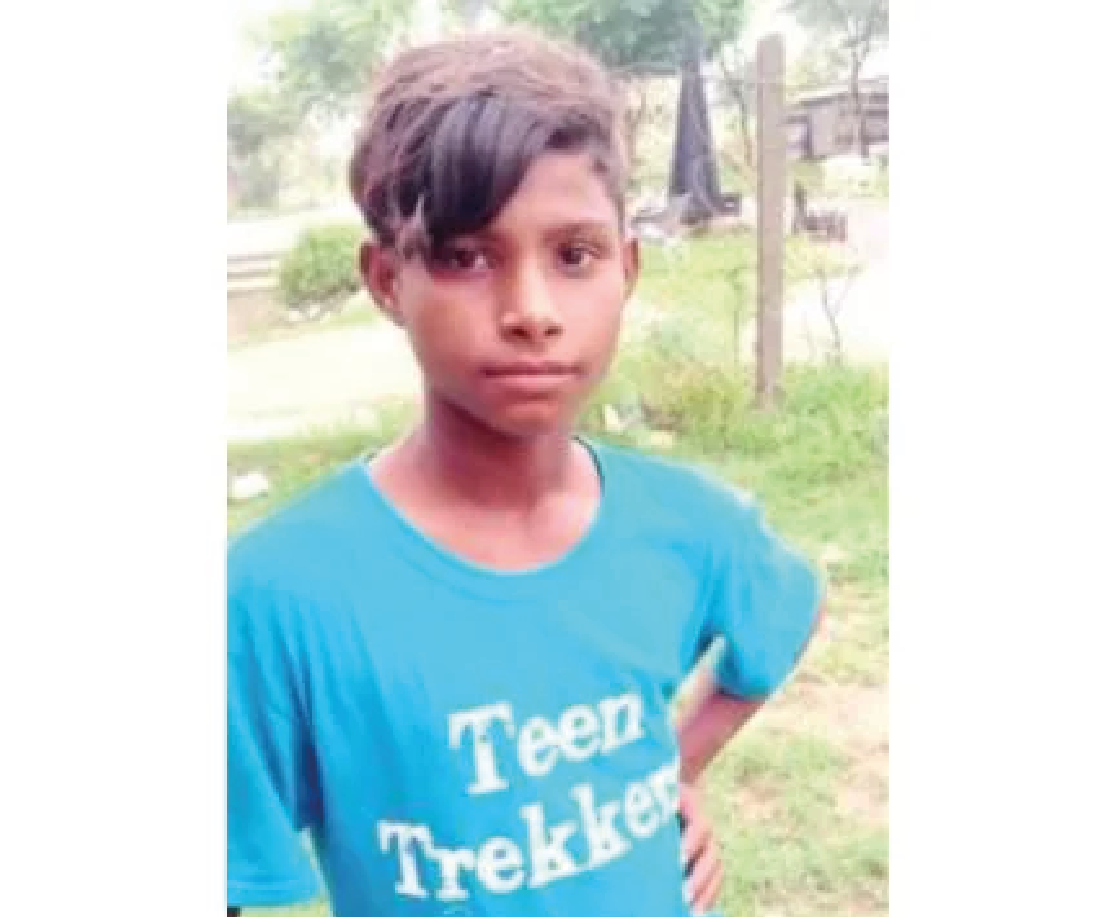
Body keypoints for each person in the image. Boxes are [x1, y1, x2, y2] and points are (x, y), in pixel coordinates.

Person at [227, 27, 825, 917]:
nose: (532, 311)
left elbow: (786, 607)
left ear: (625, 269)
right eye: (466, 256)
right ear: (386, 279)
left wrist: (667, 770)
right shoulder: (279, 596)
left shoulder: (686, 524)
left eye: (574, 255)